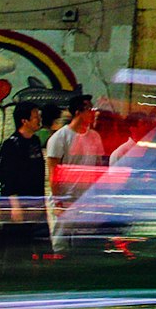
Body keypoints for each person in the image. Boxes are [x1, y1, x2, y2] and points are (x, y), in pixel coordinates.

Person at [38, 99, 93, 249]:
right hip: (65, 196)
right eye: (88, 109)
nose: (92, 113)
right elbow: (53, 171)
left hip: (85, 198)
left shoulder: (94, 137)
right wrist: (57, 201)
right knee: (60, 241)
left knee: (82, 242)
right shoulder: (59, 138)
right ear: (78, 112)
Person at [0, 106, 45, 254]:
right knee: (15, 245)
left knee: (35, 246)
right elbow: (7, 177)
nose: (38, 119)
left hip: (36, 201)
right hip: (19, 203)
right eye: (35, 117)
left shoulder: (35, 141)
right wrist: (15, 205)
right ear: (24, 121)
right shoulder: (11, 145)